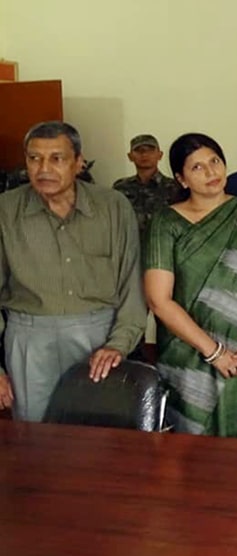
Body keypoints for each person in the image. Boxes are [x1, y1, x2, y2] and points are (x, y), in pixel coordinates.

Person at [0, 121, 144, 422]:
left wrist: (119, 344)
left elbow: (132, 285)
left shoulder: (112, 207)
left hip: (99, 337)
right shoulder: (5, 210)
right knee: (35, 432)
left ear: (79, 163)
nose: (44, 169)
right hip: (29, 338)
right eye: (34, 158)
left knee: (98, 433)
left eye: (57, 158)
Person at [143, 133, 237, 437]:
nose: (210, 172)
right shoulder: (166, 222)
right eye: (197, 167)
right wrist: (214, 352)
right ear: (181, 179)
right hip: (187, 354)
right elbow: (159, 300)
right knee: (191, 450)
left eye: (214, 161)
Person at [112, 134, 184, 236]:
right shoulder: (120, 188)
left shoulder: (175, 187)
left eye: (150, 150)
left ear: (160, 155)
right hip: (131, 243)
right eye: (138, 150)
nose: (144, 154)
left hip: (164, 242)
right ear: (130, 156)